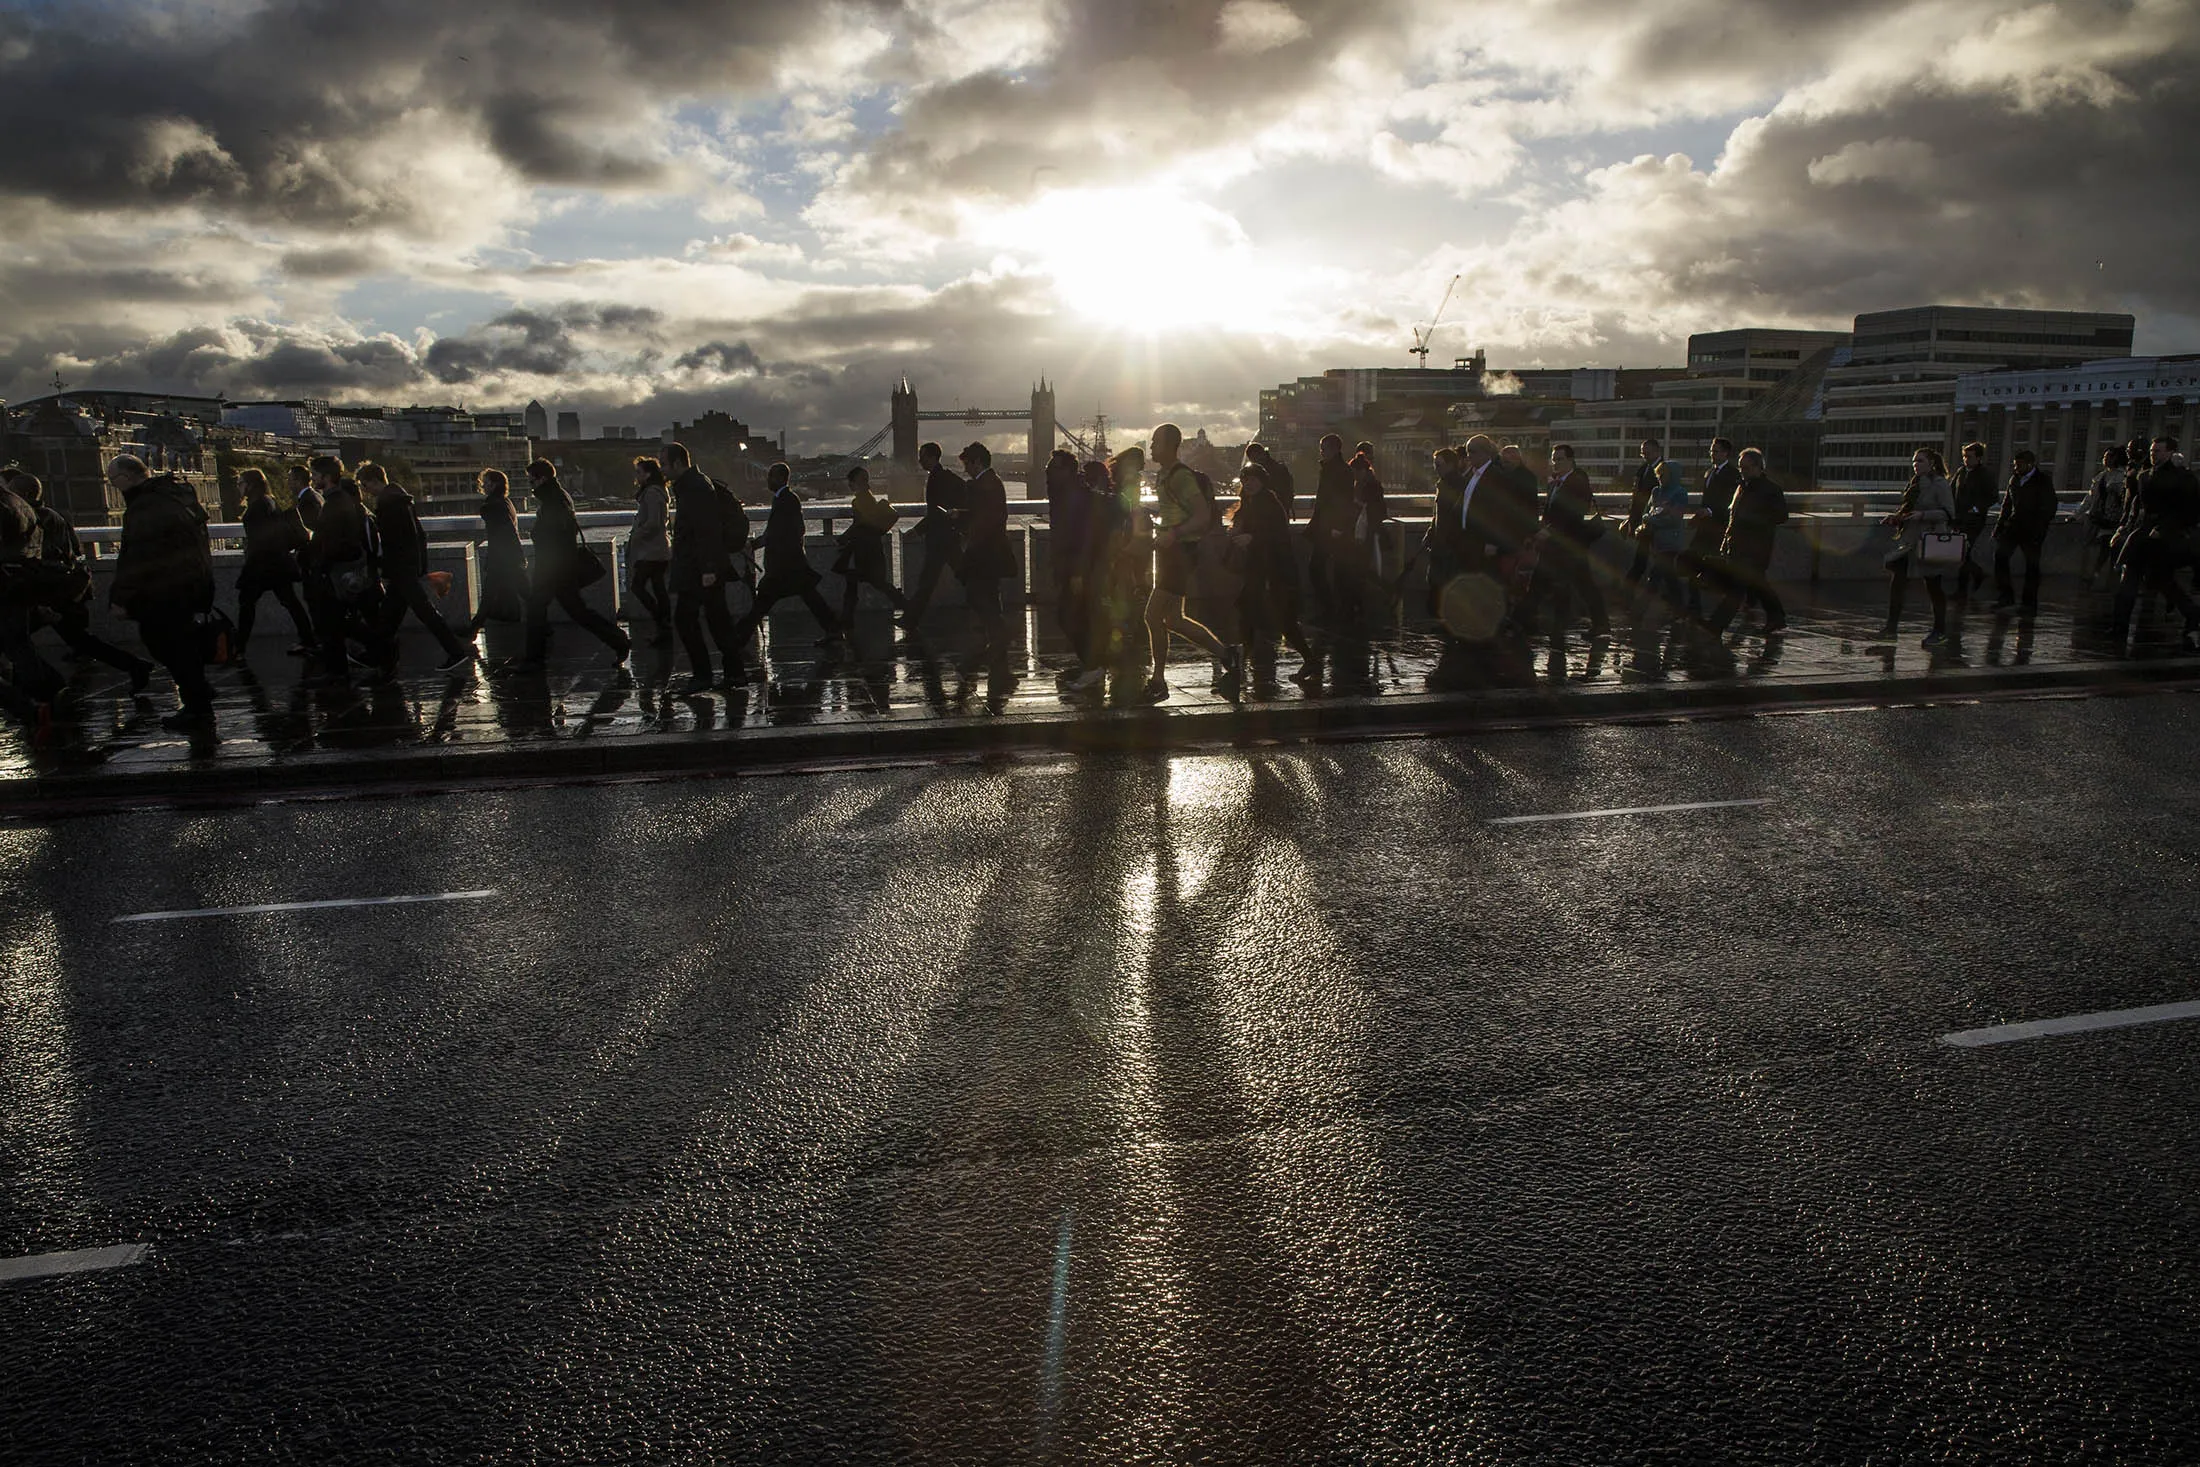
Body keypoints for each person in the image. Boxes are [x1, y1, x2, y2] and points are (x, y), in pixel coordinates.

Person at [5, 469, 157, 686]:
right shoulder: (51, 516)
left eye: (14, 494)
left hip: (49, 592)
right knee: (78, 641)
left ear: (27, 495)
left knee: (15, 640)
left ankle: (43, 685)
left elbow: (38, 558)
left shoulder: (37, 520)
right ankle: (134, 665)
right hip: (56, 590)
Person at [106, 454, 217, 731]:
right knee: (180, 644)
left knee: (168, 644)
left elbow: (137, 555)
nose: (113, 486)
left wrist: (121, 597)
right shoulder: (174, 496)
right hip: (190, 581)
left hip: (166, 588)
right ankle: (198, 694)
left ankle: (198, 705)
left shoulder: (145, 507)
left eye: (114, 480)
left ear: (129, 478)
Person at [1141, 423, 1240, 703]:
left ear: (1170, 445)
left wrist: (1173, 533)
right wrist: (1160, 522)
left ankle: (1158, 681)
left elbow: (1201, 517)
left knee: (1151, 616)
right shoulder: (1164, 475)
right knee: (1174, 619)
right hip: (1171, 552)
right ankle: (1228, 655)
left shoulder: (1180, 477)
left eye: (1155, 441)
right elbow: (1177, 513)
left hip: (1180, 554)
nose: (1151, 446)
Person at [726, 462, 842, 684]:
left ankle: (738, 638)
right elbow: (787, 530)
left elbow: (781, 531)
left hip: (784, 564)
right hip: (790, 563)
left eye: (771, 476)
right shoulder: (785, 498)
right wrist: (761, 543)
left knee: (764, 601)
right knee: (809, 597)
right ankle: (833, 629)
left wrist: (759, 543)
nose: (767, 479)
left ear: (780, 477)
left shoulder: (786, 500)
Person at [514, 458, 630, 672]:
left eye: (532, 481)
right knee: (574, 611)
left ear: (543, 478)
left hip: (554, 568)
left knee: (541, 608)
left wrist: (539, 541)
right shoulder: (559, 497)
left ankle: (534, 660)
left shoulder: (552, 501)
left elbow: (555, 535)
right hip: (560, 567)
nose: (531, 487)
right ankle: (618, 640)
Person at [361, 462, 473, 674]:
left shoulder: (389, 505)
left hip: (401, 570)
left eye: (365, 485)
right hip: (406, 569)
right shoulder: (402, 501)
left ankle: (456, 652)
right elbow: (419, 536)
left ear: (375, 481)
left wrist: (385, 567)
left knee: (423, 613)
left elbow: (392, 543)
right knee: (390, 617)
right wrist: (420, 567)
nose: (364, 491)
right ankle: (377, 654)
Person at [300, 457, 390, 687]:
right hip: (339, 570)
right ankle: (361, 660)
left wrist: (321, 561)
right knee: (337, 622)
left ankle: (368, 656)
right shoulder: (340, 501)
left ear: (326, 477)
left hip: (336, 571)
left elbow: (334, 541)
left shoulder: (334, 503)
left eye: (315, 475)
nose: (313, 479)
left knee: (334, 622)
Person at [1228, 461, 1317, 691]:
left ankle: (1311, 660)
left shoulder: (1269, 503)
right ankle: (1240, 666)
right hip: (1259, 570)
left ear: (1262, 481)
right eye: (1245, 479)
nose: (1248, 483)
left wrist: (1251, 538)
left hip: (1275, 571)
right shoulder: (1250, 503)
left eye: (1253, 479)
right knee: (1248, 614)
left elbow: (1278, 536)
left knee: (1282, 620)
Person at [2110, 434, 2200, 650]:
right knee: (2131, 576)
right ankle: (2119, 625)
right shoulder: (2143, 476)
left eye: (2158, 451)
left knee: (2161, 580)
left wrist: (2167, 529)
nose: (2153, 455)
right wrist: (2123, 528)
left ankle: (2192, 614)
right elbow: (2135, 507)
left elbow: (2191, 511)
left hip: (2167, 538)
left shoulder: (2183, 477)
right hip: (2144, 535)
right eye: (2152, 451)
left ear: (2170, 452)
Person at [1518, 443, 1610, 645]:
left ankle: (1558, 627)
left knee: (1572, 585)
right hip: (1555, 545)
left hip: (1570, 544)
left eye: (1560, 459)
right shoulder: (1555, 484)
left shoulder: (1578, 481)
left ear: (1571, 460)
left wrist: (1548, 531)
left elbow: (1573, 515)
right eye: (1554, 459)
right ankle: (1531, 623)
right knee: (1543, 583)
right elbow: (1550, 513)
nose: (1556, 463)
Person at [665, 441, 738, 689]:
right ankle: (734, 674)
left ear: (677, 463)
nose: (662, 470)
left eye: (665, 464)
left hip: (699, 569)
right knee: (718, 620)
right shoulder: (694, 484)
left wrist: (708, 568)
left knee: (686, 620)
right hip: (700, 566)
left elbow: (706, 531)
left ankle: (704, 675)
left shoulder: (694, 488)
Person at [949, 443, 1016, 700]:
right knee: (986, 599)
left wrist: (960, 518)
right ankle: (997, 648)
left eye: (966, 463)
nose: (965, 469)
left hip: (984, 553)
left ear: (976, 462)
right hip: (988, 552)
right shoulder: (991, 481)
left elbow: (985, 518)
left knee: (981, 598)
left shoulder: (984, 484)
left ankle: (994, 646)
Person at [1703, 448, 1789, 638]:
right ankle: (1777, 617)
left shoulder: (1770, 490)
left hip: (1755, 547)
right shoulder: (1742, 487)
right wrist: (1726, 542)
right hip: (1738, 545)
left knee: (1737, 588)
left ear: (1758, 467)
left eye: (1747, 468)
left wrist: (1755, 519)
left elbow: (1782, 516)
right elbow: (1733, 518)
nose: (1742, 471)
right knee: (1758, 584)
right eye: (1741, 467)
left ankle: (1716, 625)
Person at [231, 467, 313, 658]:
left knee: (247, 603)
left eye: (240, 483)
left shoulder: (257, 507)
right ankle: (308, 639)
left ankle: (239, 647)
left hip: (263, 565)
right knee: (290, 602)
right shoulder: (268, 501)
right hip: (276, 563)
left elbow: (260, 539)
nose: (238, 487)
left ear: (250, 486)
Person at [1884, 447, 1957, 647]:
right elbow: (1908, 508)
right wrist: (1897, 518)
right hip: (1909, 541)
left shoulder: (1940, 484)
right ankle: (1891, 628)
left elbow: (1949, 513)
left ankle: (1939, 631)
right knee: (1898, 579)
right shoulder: (1914, 483)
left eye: (1921, 461)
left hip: (1929, 540)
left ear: (1931, 463)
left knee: (1933, 586)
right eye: (1914, 462)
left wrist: (1924, 515)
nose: (1916, 465)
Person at [1632, 458, 1692, 666]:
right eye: (1659, 474)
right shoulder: (1656, 492)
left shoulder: (1679, 493)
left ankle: (1640, 610)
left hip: (1671, 541)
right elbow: (1648, 511)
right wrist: (1649, 520)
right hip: (1656, 540)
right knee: (1669, 577)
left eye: (1664, 474)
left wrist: (1652, 520)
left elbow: (1674, 519)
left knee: (1656, 576)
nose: (1661, 477)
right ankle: (1681, 610)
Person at [900, 441, 966, 630]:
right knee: (958, 576)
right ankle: (910, 619)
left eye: (923, 456)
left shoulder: (937, 478)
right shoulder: (943, 476)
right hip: (947, 537)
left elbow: (936, 511)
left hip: (940, 538)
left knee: (929, 581)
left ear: (932, 457)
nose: (920, 460)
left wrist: (917, 530)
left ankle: (988, 608)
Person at [1043, 449, 1095, 681]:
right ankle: (1094, 665)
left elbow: (1082, 536)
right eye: (1048, 467)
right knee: (1076, 615)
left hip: (1077, 567)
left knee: (1069, 615)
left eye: (1053, 468)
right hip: (1068, 564)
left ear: (1066, 471)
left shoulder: (1075, 496)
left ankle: (1094, 666)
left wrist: (1077, 572)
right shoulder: (1063, 492)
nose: (1048, 472)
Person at [835, 465, 910, 625]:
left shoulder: (860, 501)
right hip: (873, 549)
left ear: (857, 482)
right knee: (873, 583)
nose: (850, 485)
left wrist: (844, 537)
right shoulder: (869, 498)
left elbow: (860, 523)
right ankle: (846, 619)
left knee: (870, 583)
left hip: (864, 551)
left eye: (851, 482)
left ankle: (846, 620)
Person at [1992, 448, 2058, 612]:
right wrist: (1999, 526)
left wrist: (2040, 528)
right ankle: (2006, 597)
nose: (2016, 468)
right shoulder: (2014, 479)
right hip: (2013, 527)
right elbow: (2007, 505)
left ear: (2031, 464)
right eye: (2015, 465)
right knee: (2000, 557)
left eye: (2020, 465)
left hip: (2032, 530)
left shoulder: (2042, 480)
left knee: (2032, 567)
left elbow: (2050, 506)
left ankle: (2029, 603)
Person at [1685, 437, 1742, 619]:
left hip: (1718, 528)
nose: (1712, 454)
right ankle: (1694, 605)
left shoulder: (1732, 474)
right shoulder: (1709, 472)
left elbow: (1729, 502)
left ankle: (1734, 599)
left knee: (1712, 568)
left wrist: (1709, 511)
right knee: (1692, 564)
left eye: (1716, 451)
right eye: (1711, 451)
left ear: (1726, 453)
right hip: (1705, 527)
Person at [470, 468, 529, 630]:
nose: (484, 486)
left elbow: (507, 533)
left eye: (487, 482)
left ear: (495, 484)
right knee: (524, 593)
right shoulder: (505, 502)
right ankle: (474, 627)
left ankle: (473, 628)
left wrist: (518, 556)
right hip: (508, 558)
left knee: (490, 595)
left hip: (503, 560)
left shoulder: (494, 506)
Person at [1307, 433, 1356, 619]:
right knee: (1328, 568)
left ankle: (1332, 607)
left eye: (1324, 448)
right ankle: (1333, 606)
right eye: (1321, 448)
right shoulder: (1330, 469)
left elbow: (1343, 501)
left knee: (1322, 568)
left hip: (1332, 528)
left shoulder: (1341, 471)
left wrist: (1338, 526)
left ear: (1335, 450)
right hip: (1326, 526)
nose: (1321, 452)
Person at [627, 457, 675, 644]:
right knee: (658, 588)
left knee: (638, 586)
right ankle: (664, 629)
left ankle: (662, 623)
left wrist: (637, 534)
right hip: (659, 549)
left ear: (648, 474)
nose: (637, 476)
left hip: (652, 551)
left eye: (639, 472)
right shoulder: (658, 492)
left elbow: (654, 523)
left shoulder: (652, 494)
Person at [1951, 441, 1997, 598]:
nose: (1966, 459)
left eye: (1969, 457)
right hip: (1958, 519)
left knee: (1964, 552)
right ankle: (1977, 574)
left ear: (1978, 458)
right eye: (1964, 456)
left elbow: (1993, 497)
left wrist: (1976, 508)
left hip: (1974, 521)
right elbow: (1951, 491)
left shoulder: (1985, 474)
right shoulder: (1960, 472)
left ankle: (1962, 590)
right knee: (1961, 553)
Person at [2079, 446, 2130, 586]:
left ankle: (2104, 578)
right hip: (2097, 518)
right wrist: (2077, 514)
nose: (2105, 459)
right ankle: (2099, 577)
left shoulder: (2122, 476)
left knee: (2108, 550)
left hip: (2112, 519)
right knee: (2101, 550)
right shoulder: (2101, 476)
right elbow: (2090, 498)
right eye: (2104, 456)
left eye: (2108, 456)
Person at [1624, 438, 1665, 586]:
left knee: (1650, 560)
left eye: (1647, 452)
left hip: (1655, 523)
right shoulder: (1643, 469)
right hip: (1643, 521)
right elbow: (1636, 496)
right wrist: (1632, 519)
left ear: (1657, 451)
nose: (1645, 455)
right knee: (1642, 559)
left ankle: (1628, 588)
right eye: (1643, 453)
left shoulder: (1665, 470)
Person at [1244, 442, 1295, 519]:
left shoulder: (1254, 472)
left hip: (1272, 513)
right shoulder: (1279, 468)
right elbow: (1289, 492)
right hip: (1279, 512)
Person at [288, 462, 324, 532]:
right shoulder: (316, 496)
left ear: (298, 481)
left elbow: (305, 527)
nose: (288, 483)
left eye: (290, 479)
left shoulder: (307, 501)